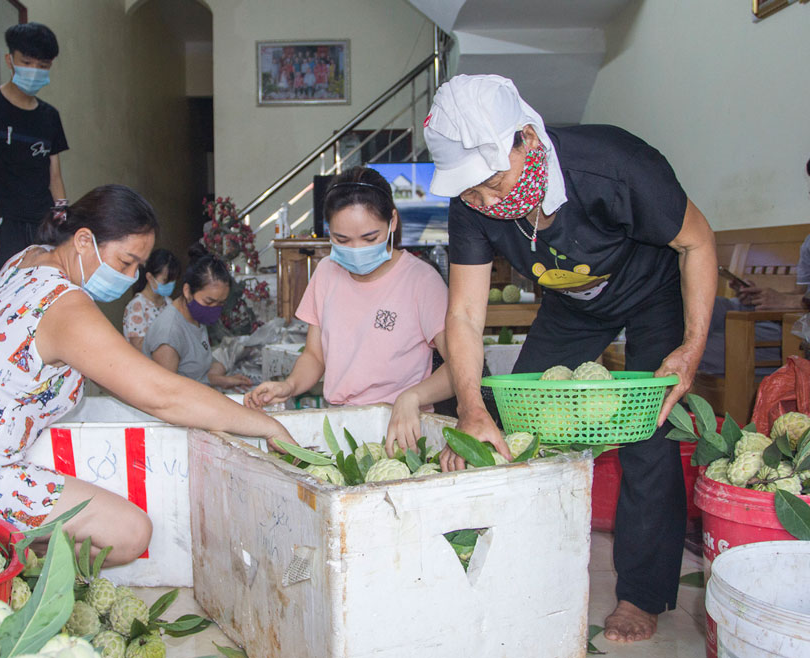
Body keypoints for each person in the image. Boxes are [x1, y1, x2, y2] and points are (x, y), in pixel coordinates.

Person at [423, 75, 717, 643]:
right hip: (571, 302)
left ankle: (640, 593)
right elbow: (462, 316)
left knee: (647, 431)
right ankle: (514, 566)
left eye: (492, 183)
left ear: (527, 140)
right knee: (520, 415)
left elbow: (698, 242)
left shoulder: (614, 164)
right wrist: (469, 407)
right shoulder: (472, 206)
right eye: (470, 194)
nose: (485, 202)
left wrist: (691, 347)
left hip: (654, 291)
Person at [0, 185, 293, 566]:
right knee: (128, 533)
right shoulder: (64, 306)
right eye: (126, 262)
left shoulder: (28, 258)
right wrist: (263, 425)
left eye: (139, 266)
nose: (131, 276)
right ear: (84, 241)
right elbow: (162, 393)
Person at [244, 166, 454, 455]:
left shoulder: (421, 280)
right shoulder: (326, 273)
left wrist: (412, 397)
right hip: (341, 424)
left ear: (392, 221)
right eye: (342, 240)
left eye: (369, 238)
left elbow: (459, 368)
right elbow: (314, 355)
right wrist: (289, 385)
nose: (356, 250)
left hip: (401, 430)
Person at [0, 22, 68, 286]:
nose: (34, 72)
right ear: (10, 60)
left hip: (44, 226)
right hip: (3, 224)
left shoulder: (50, 116)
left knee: (44, 301)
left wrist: (64, 226)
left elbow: (55, 177)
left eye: (43, 66)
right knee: (2, 304)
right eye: (27, 62)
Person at [143, 247, 253, 391]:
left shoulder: (194, 318)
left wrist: (224, 381)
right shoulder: (169, 334)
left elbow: (194, 376)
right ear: (188, 291)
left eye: (220, 303)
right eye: (208, 302)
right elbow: (166, 393)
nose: (214, 308)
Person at [699, 234, 810, 376]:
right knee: (709, 306)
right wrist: (761, 297)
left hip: (795, 332)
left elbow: (797, 302)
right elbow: (801, 292)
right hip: (774, 317)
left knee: (693, 345)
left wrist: (788, 302)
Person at [123, 248, 181, 351]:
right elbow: (139, 348)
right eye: (165, 281)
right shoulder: (137, 307)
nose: (170, 285)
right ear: (150, 277)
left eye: (173, 281)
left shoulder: (169, 303)